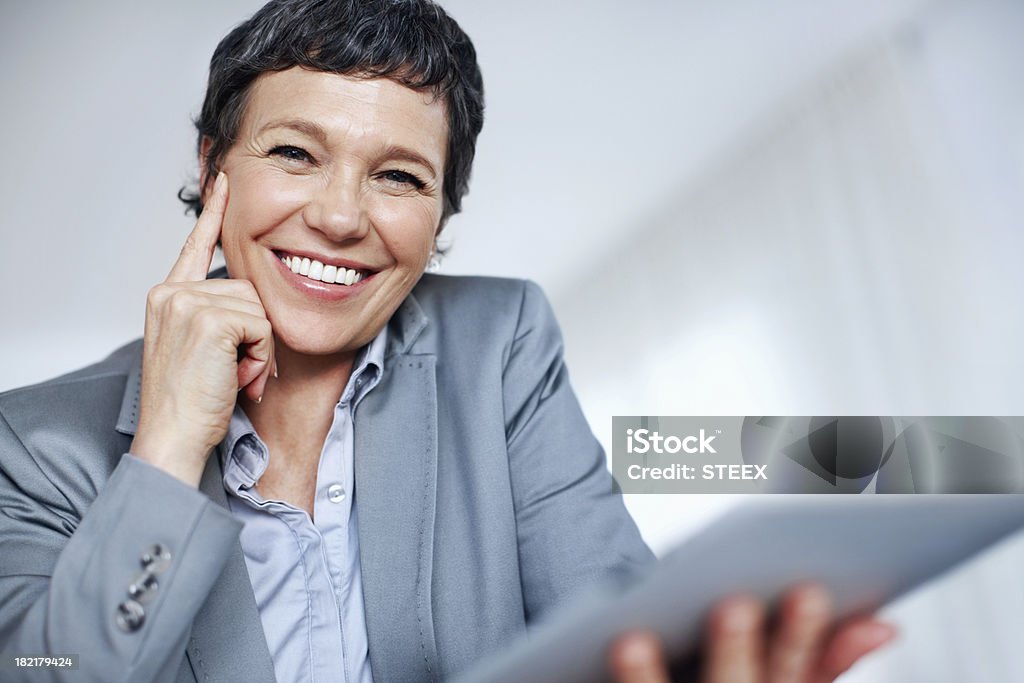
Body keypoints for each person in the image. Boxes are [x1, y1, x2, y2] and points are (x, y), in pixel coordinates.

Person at [0, 1, 894, 681]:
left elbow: (608, 623)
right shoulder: (31, 444)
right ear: (213, 169)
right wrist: (163, 455)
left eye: (397, 175)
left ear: (439, 215)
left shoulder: (500, 344)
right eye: (294, 154)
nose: (342, 216)